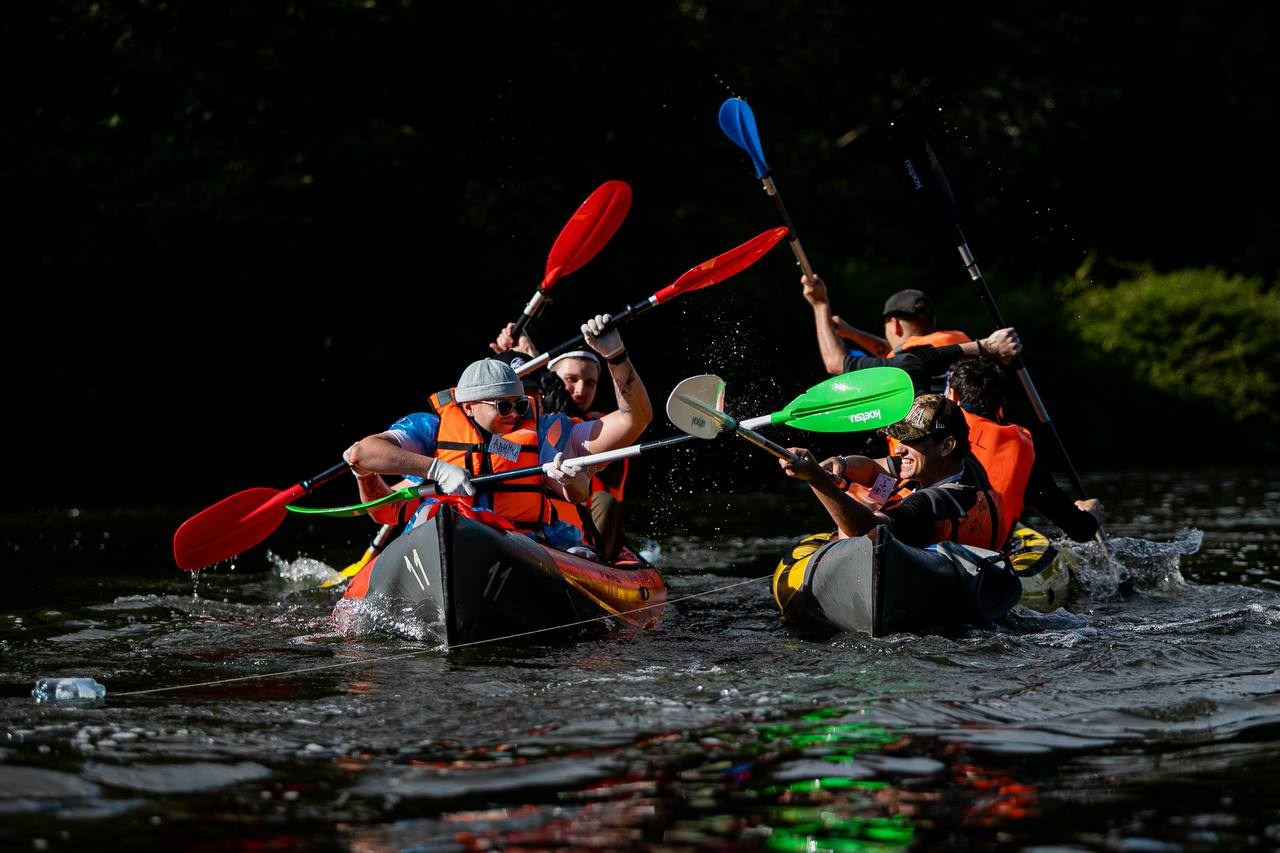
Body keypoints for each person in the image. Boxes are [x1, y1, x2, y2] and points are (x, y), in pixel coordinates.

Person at [345, 314, 651, 557]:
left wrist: (616, 355)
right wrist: (433, 469)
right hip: (449, 535)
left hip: (523, 543)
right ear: (468, 405)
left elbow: (633, 420)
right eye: (503, 406)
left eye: (522, 404)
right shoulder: (434, 430)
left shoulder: (546, 431)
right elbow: (364, 455)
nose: (516, 414)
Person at [778, 393, 1004, 552]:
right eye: (900, 439)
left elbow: (867, 531)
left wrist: (816, 479)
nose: (899, 448)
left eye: (912, 440)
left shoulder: (934, 503)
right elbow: (875, 468)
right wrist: (842, 463)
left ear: (946, 446)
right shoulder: (959, 465)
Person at [490, 322, 633, 561]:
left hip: (593, 531)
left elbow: (563, 412)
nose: (580, 389)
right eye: (571, 379)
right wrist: (514, 363)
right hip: (541, 524)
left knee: (604, 501)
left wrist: (532, 357)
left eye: (590, 383)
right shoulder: (521, 421)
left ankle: (597, 563)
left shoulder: (596, 425)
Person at [945, 357, 1104, 544]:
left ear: (953, 396)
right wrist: (1089, 515)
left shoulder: (932, 428)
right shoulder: (1019, 448)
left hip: (923, 544)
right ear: (1000, 403)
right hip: (980, 555)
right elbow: (1079, 530)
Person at [800, 274, 1022, 394]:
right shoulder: (957, 341)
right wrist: (853, 334)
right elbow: (895, 355)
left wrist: (820, 305)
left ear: (894, 324)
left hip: (928, 467)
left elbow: (836, 363)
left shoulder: (911, 363)